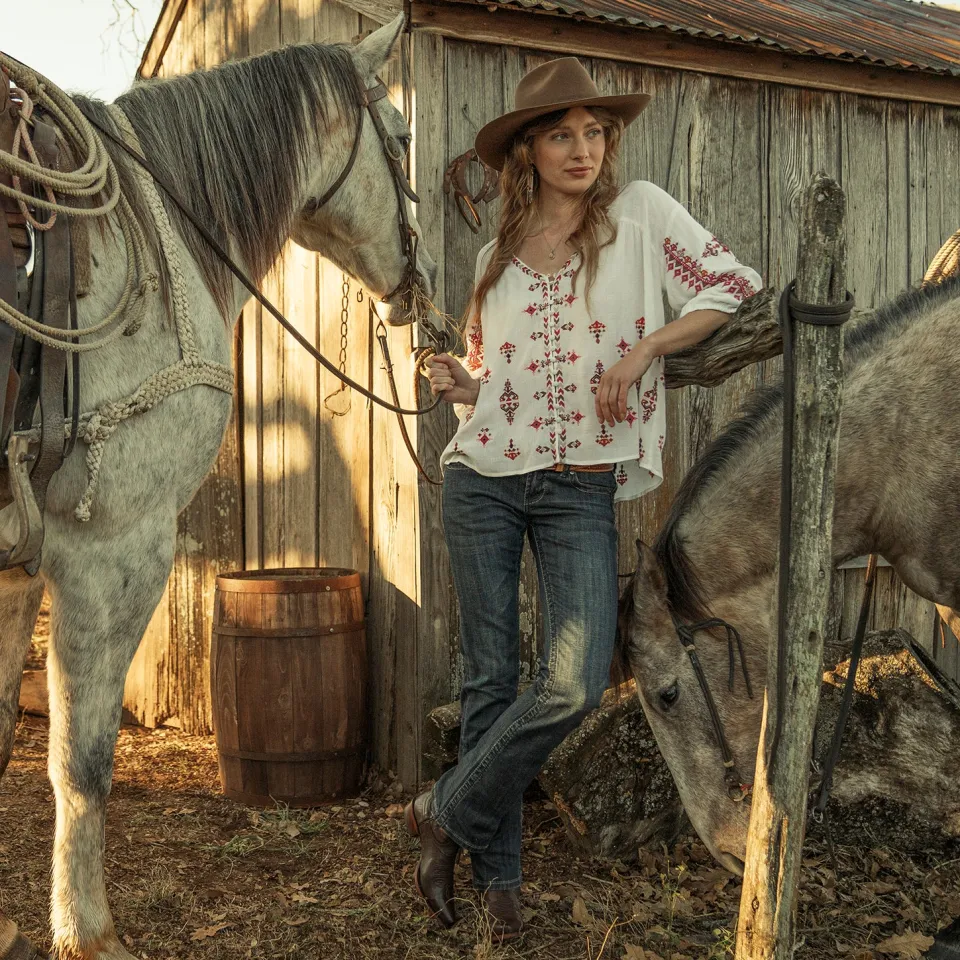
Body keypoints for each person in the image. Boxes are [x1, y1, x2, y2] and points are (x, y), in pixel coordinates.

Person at [405, 56, 762, 942]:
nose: (582, 148)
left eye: (593, 131)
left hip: (580, 488)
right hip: (483, 479)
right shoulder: (493, 259)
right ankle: (499, 883)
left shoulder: (638, 216)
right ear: (526, 150)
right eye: (561, 133)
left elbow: (732, 285)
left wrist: (643, 354)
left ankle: (442, 811)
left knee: (571, 681)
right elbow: (500, 380)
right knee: (491, 680)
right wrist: (460, 381)